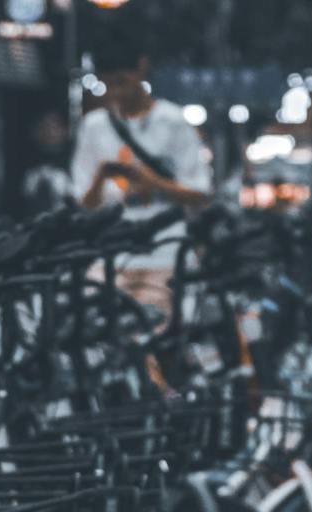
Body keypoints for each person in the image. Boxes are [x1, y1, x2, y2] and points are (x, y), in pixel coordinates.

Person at [70, 27, 212, 320]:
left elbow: (201, 191)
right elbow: (83, 202)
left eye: (122, 80)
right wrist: (101, 176)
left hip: (167, 252)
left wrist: (153, 183)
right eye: (108, 83)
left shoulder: (172, 121)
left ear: (140, 68)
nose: (116, 91)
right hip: (111, 254)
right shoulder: (94, 126)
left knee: (159, 336)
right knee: (93, 333)